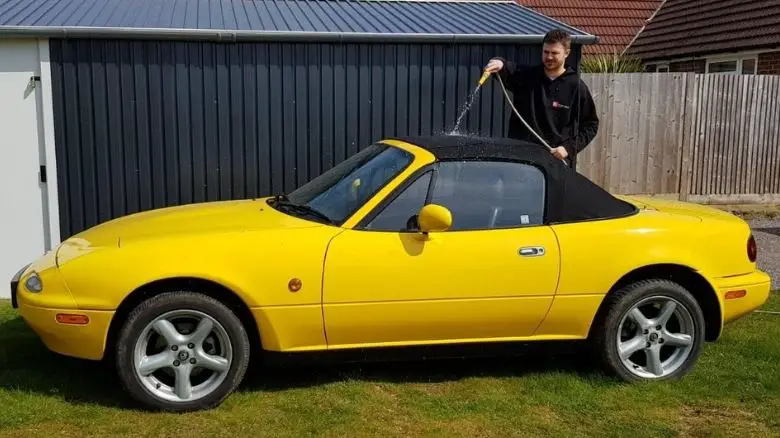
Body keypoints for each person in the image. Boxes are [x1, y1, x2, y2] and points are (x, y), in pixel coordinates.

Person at [484, 29, 599, 170]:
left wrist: (568, 148)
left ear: (567, 53)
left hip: (555, 163)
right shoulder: (526, 76)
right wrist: (498, 62)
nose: (549, 57)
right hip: (521, 159)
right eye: (546, 52)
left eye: (554, 53)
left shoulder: (576, 87)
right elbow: (505, 67)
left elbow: (590, 125)